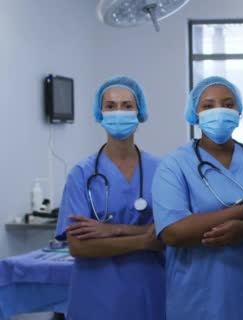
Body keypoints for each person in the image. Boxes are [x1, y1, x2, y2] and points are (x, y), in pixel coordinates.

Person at [152, 76, 243, 320]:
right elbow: (173, 232)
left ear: (238, 111)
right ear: (194, 113)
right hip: (197, 298)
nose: (219, 111)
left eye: (227, 104)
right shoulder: (174, 165)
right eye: (208, 105)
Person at [55, 76, 165, 320]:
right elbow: (79, 245)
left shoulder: (162, 170)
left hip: (149, 294)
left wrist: (111, 230)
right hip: (96, 299)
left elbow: (167, 234)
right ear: (100, 113)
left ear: (140, 113)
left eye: (127, 106)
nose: (119, 112)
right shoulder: (82, 174)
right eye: (111, 106)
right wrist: (143, 239)